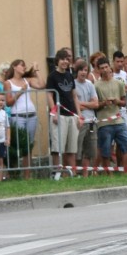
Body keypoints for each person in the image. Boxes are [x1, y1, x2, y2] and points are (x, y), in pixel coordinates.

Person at [94, 56, 127, 173]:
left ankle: (125, 171)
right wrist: (103, 103)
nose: (105, 70)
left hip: (118, 120)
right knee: (105, 150)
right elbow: (94, 105)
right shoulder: (96, 85)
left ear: (109, 67)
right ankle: (109, 174)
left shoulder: (119, 83)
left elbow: (124, 102)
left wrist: (117, 101)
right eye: (102, 68)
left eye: (106, 67)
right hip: (104, 122)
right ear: (98, 70)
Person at [4, 58, 45, 179]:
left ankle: (28, 174)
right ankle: (15, 173)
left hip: (31, 114)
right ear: (15, 67)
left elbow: (42, 85)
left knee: (29, 146)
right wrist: (20, 92)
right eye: (22, 65)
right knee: (19, 145)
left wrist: (36, 70)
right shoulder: (8, 83)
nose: (24, 68)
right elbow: (8, 102)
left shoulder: (27, 80)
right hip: (18, 115)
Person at [46, 48, 81, 177]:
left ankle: (72, 173)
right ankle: (57, 173)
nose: (65, 62)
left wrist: (79, 114)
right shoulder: (52, 76)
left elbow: (74, 96)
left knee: (71, 147)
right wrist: (53, 112)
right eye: (62, 59)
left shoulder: (70, 75)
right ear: (57, 61)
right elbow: (50, 95)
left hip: (71, 114)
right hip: (59, 114)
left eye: (67, 59)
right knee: (57, 147)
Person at [72, 59, 99, 177]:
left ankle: (85, 175)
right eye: (81, 70)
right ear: (76, 71)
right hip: (79, 121)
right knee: (77, 149)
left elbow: (96, 104)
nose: (83, 72)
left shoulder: (90, 84)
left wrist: (82, 104)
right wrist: (85, 105)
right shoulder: (73, 84)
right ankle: (75, 173)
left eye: (85, 70)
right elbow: (73, 103)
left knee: (89, 151)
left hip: (91, 121)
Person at [0, 93, 10, 181]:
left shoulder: (4, 114)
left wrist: (8, 139)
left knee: (0, 161)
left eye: (2, 100)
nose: (0, 102)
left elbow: (7, 127)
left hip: (1, 141)